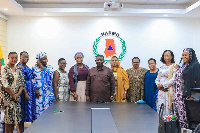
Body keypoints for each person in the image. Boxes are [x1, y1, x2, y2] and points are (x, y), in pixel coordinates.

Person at [175, 48, 200, 128]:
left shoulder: (195, 66)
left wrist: (192, 95)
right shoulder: (183, 66)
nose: (184, 56)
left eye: (186, 55)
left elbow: (197, 81)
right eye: (183, 55)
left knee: (187, 116)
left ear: (191, 56)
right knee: (179, 115)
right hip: (178, 94)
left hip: (187, 95)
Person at [1, 52, 25, 133]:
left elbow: (22, 83)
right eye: (12, 57)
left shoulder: (18, 70)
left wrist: (17, 94)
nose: (14, 59)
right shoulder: (4, 68)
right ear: (8, 58)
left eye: (16, 58)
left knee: (17, 119)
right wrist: (13, 95)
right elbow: (5, 84)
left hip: (16, 99)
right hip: (7, 99)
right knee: (9, 122)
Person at [16, 51, 35, 132]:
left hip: (30, 90)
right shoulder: (19, 67)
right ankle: (21, 131)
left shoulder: (26, 67)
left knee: (27, 113)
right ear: (20, 57)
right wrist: (26, 93)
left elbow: (32, 76)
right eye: (23, 57)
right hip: (23, 92)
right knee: (21, 113)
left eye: (27, 57)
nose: (25, 58)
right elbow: (20, 82)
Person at [32, 52, 54, 118]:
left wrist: (43, 68)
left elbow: (49, 77)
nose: (45, 60)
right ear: (39, 60)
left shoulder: (50, 68)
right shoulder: (34, 68)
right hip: (39, 93)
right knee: (39, 110)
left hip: (48, 92)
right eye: (43, 59)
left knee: (48, 112)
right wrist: (35, 89)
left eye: (46, 59)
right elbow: (32, 79)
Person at [155, 50, 178, 115]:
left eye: (167, 55)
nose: (166, 57)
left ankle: (169, 124)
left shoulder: (174, 67)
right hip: (161, 91)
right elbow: (157, 79)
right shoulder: (162, 67)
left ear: (171, 57)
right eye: (164, 56)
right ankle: (161, 123)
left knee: (169, 107)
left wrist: (163, 85)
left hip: (169, 89)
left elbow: (173, 79)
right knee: (160, 107)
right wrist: (158, 85)